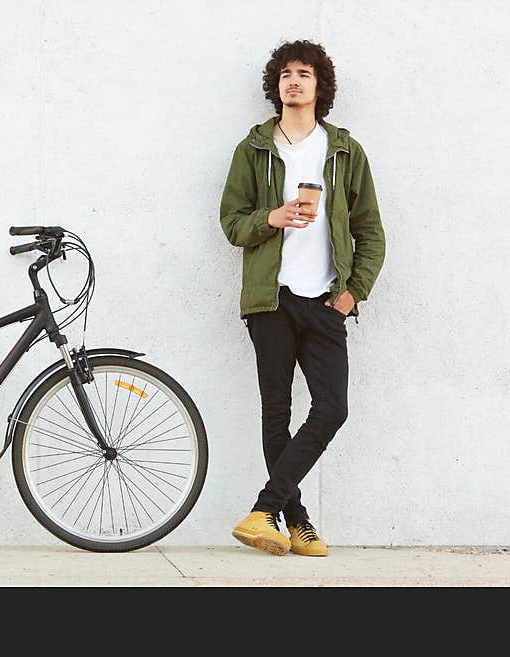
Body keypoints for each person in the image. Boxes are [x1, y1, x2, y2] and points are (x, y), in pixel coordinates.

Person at [218, 39, 385, 556]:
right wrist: (272, 217)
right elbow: (231, 223)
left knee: (332, 408)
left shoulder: (343, 151)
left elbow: (370, 230)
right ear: (276, 85)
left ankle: (264, 510)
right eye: (287, 73)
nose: (294, 81)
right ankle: (298, 524)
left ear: (319, 86)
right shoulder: (253, 149)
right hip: (269, 300)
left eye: (305, 74)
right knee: (277, 411)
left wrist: (352, 294)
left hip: (324, 301)